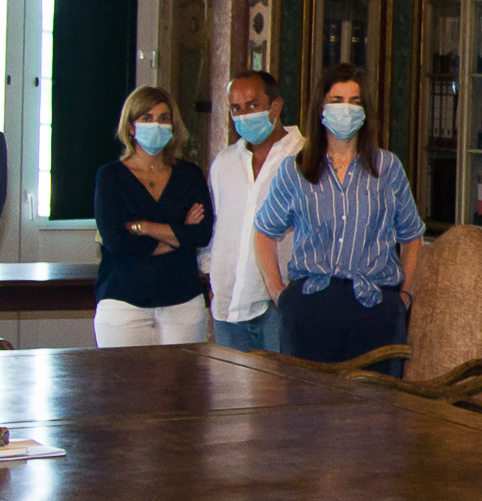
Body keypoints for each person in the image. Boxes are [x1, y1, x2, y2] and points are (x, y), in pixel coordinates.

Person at [253, 64, 424, 373]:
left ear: (365, 111)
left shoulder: (387, 167)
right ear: (321, 107)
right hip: (311, 305)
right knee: (309, 400)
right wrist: (279, 293)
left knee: (376, 401)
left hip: (376, 307)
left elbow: (412, 235)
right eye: (337, 100)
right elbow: (264, 231)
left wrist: (404, 297)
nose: (346, 109)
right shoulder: (296, 169)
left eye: (355, 102)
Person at [92, 86, 213, 347]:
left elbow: (201, 234)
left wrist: (144, 227)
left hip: (183, 302)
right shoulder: (111, 176)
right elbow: (117, 241)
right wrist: (178, 233)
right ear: (131, 127)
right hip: (124, 303)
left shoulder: (189, 175)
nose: (156, 125)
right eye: (147, 118)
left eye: (164, 118)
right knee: (127, 376)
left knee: (183, 374)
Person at [203, 69, 303, 353]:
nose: (244, 115)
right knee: (229, 382)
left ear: (275, 107)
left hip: (280, 303)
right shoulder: (224, 162)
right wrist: (213, 279)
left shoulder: (305, 159)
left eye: (252, 105)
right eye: (236, 108)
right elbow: (218, 227)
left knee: (282, 381)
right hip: (229, 304)